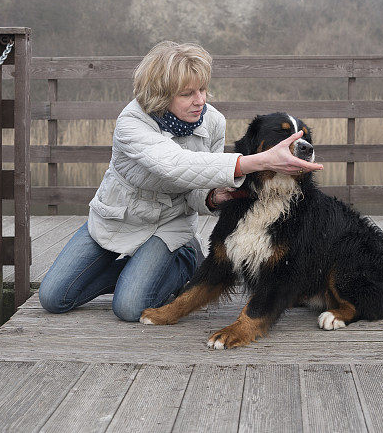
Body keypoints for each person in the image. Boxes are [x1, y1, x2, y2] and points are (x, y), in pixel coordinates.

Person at [39, 41, 323, 321]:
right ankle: (137, 272)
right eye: (187, 93)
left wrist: (211, 197)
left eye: (202, 89)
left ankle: (185, 262)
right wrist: (258, 161)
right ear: (161, 95)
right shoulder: (132, 123)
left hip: (169, 225)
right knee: (54, 297)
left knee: (128, 308)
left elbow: (198, 185)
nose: (200, 100)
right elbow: (175, 165)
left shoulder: (213, 122)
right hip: (117, 219)